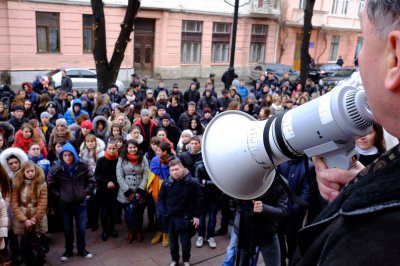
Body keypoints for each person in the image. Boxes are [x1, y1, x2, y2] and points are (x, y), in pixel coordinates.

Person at [293, 2, 400, 265]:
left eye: (363, 42)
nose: (359, 59)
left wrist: (360, 206)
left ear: (395, 58)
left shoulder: (371, 238)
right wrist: (364, 182)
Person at [47, 143, 96, 262]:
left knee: (81, 228)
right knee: (68, 229)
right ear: (61, 156)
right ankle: (68, 250)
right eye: (65, 155)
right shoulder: (56, 168)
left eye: (70, 155)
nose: (68, 157)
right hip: (65, 204)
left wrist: (85, 192)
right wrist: (60, 196)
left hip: (80, 203)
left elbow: (92, 181)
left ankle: (82, 249)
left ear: (74, 155)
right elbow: (50, 185)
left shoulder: (83, 165)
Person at [157, 159, 204, 266]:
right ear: (169, 171)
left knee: (186, 243)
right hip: (171, 218)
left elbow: (199, 199)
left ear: (182, 168)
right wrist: (163, 213)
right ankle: (174, 260)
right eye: (172, 170)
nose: (175, 172)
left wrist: (197, 216)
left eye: (177, 169)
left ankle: (186, 260)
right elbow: (160, 200)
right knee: (172, 243)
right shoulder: (167, 183)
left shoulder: (192, 183)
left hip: (186, 218)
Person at [11, 161, 48, 266]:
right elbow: (15, 203)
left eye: (32, 171)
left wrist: (33, 220)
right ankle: (29, 260)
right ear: (23, 172)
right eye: (28, 171)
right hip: (23, 215)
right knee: (25, 241)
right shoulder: (17, 183)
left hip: (37, 215)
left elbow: (42, 203)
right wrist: (24, 219)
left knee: (40, 239)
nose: (30, 173)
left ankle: (40, 260)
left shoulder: (41, 184)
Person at [116, 140, 149, 243]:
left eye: (134, 147)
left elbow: (146, 174)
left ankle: (139, 231)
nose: (132, 149)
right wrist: (128, 191)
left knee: (139, 212)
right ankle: (131, 231)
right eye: (130, 147)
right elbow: (119, 175)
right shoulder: (122, 158)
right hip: (126, 190)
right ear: (127, 148)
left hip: (140, 190)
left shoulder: (143, 158)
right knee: (128, 214)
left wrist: (140, 190)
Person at [95, 141, 120, 242]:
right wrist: (106, 182)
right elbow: (97, 175)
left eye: (114, 148)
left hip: (115, 190)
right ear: (106, 149)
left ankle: (112, 229)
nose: (112, 150)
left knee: (114, 212)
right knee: (104, 213)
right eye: (110, 148)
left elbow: (120, 174)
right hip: (103, 190)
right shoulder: (101, 160)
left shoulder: (119, 160)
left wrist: (114, 182)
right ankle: (105, 231)